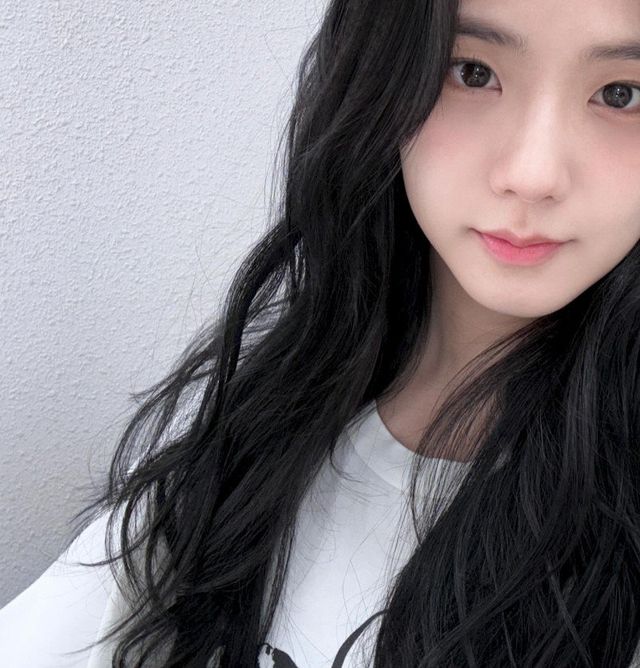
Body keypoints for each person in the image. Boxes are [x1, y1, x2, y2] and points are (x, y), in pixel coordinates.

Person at [3, 0, 640, 664]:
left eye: (621, 94)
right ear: (381, 78)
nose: (533, 175)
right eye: (472, 72)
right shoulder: (257, 438)